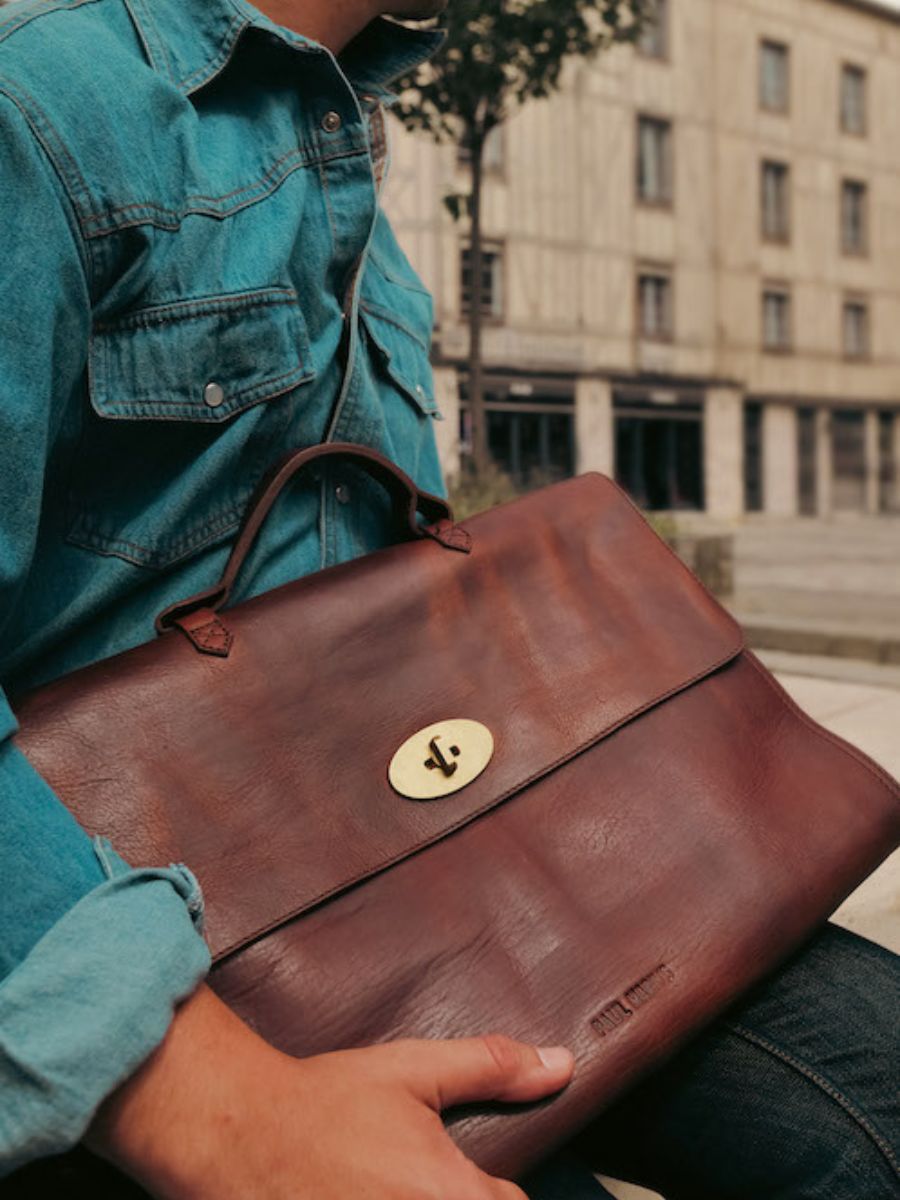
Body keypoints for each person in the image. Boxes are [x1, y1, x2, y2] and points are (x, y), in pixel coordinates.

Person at [0, 1, 896, 1197]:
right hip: (173, 969)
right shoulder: (42, 99)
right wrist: (218, 1110)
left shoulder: (350, 155)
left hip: (447, 889)